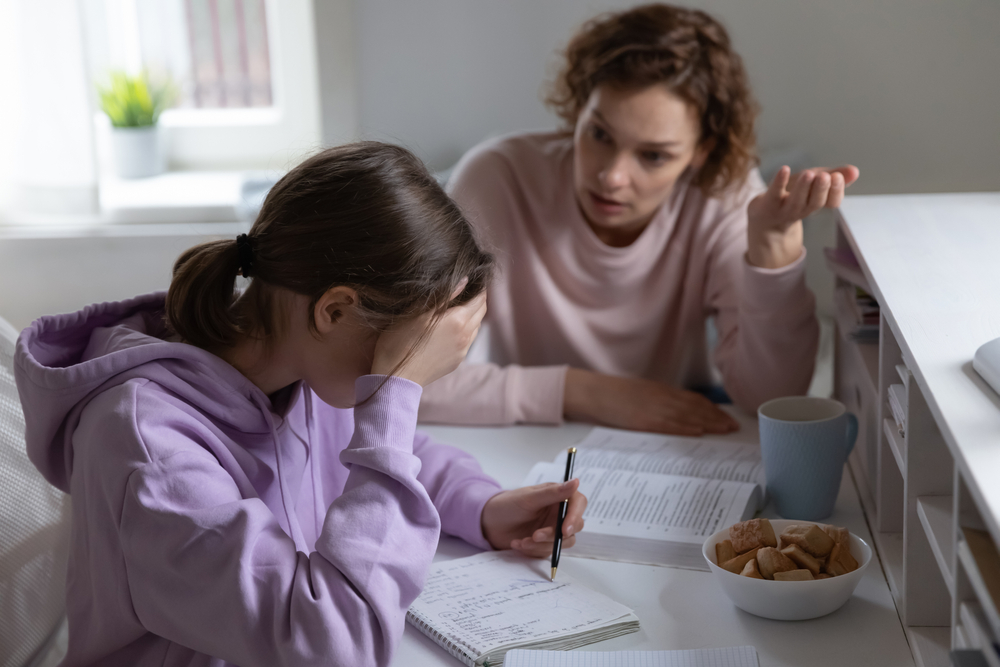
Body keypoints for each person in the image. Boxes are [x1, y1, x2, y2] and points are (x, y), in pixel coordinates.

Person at [14, 142, 587, 667]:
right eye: (403, 358)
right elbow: (338, 646)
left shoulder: (302, 370)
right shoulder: (149, 448)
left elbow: (393, 455)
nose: (403, 381)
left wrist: (484, 505)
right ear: (334, 312)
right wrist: (391, 396)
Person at [419, 3, 859, 436]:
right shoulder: (498, 177)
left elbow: (772, 400)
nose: (611, 176)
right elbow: (401, 377)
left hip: (662, 452)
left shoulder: (723, 198)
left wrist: (773, 251)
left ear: (701, 152)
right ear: (579, 111)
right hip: (523, 440)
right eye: (599, 134)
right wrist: (583, 391)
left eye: (653, 156)